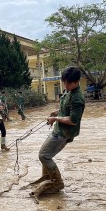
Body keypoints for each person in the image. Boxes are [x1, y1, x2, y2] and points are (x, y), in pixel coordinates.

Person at [30, 66, 85, 198]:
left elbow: (73, 120)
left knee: (44, 156)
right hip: (59, 129)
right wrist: (57, 112)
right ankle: (47, 177)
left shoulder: (77, 98)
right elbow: (65, 108)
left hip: (64, 133)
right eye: (64, 82)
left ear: (76, 82)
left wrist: (55, 118)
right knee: (45, 153)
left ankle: (57, 183)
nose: (65, 85)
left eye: (68, 83)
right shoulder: (69, 91)